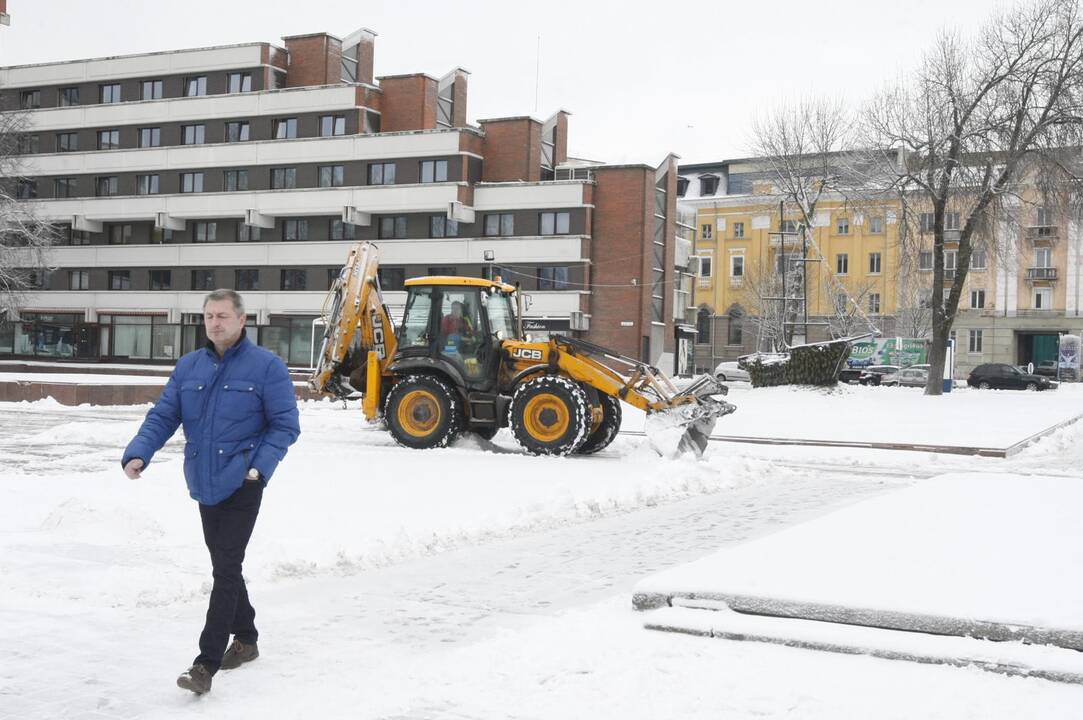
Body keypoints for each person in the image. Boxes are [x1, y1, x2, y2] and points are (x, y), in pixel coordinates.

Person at [121, 289, 300, 695]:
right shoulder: (189, 367)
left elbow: (286, 425)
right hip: (204, 482)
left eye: (222, 315)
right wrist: (139, 452)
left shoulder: (266, 367)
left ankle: (205, 663)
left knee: (224, 567)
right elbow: (164, 414)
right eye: (208, 316)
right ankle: (248, 638)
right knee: (226, 563)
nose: (215, 323)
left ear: (242, 320)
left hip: (244, 482)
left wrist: (259, 468)